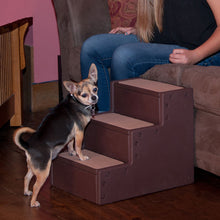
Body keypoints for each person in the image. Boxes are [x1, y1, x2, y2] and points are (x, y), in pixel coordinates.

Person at [80, 0, 220, 112]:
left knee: (124, 56)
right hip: (164, 42)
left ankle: (122, 130)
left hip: (199, 51)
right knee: (92, 48)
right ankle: (100, 120)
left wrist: (195, 55)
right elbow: (174, 18)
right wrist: (140, 31)